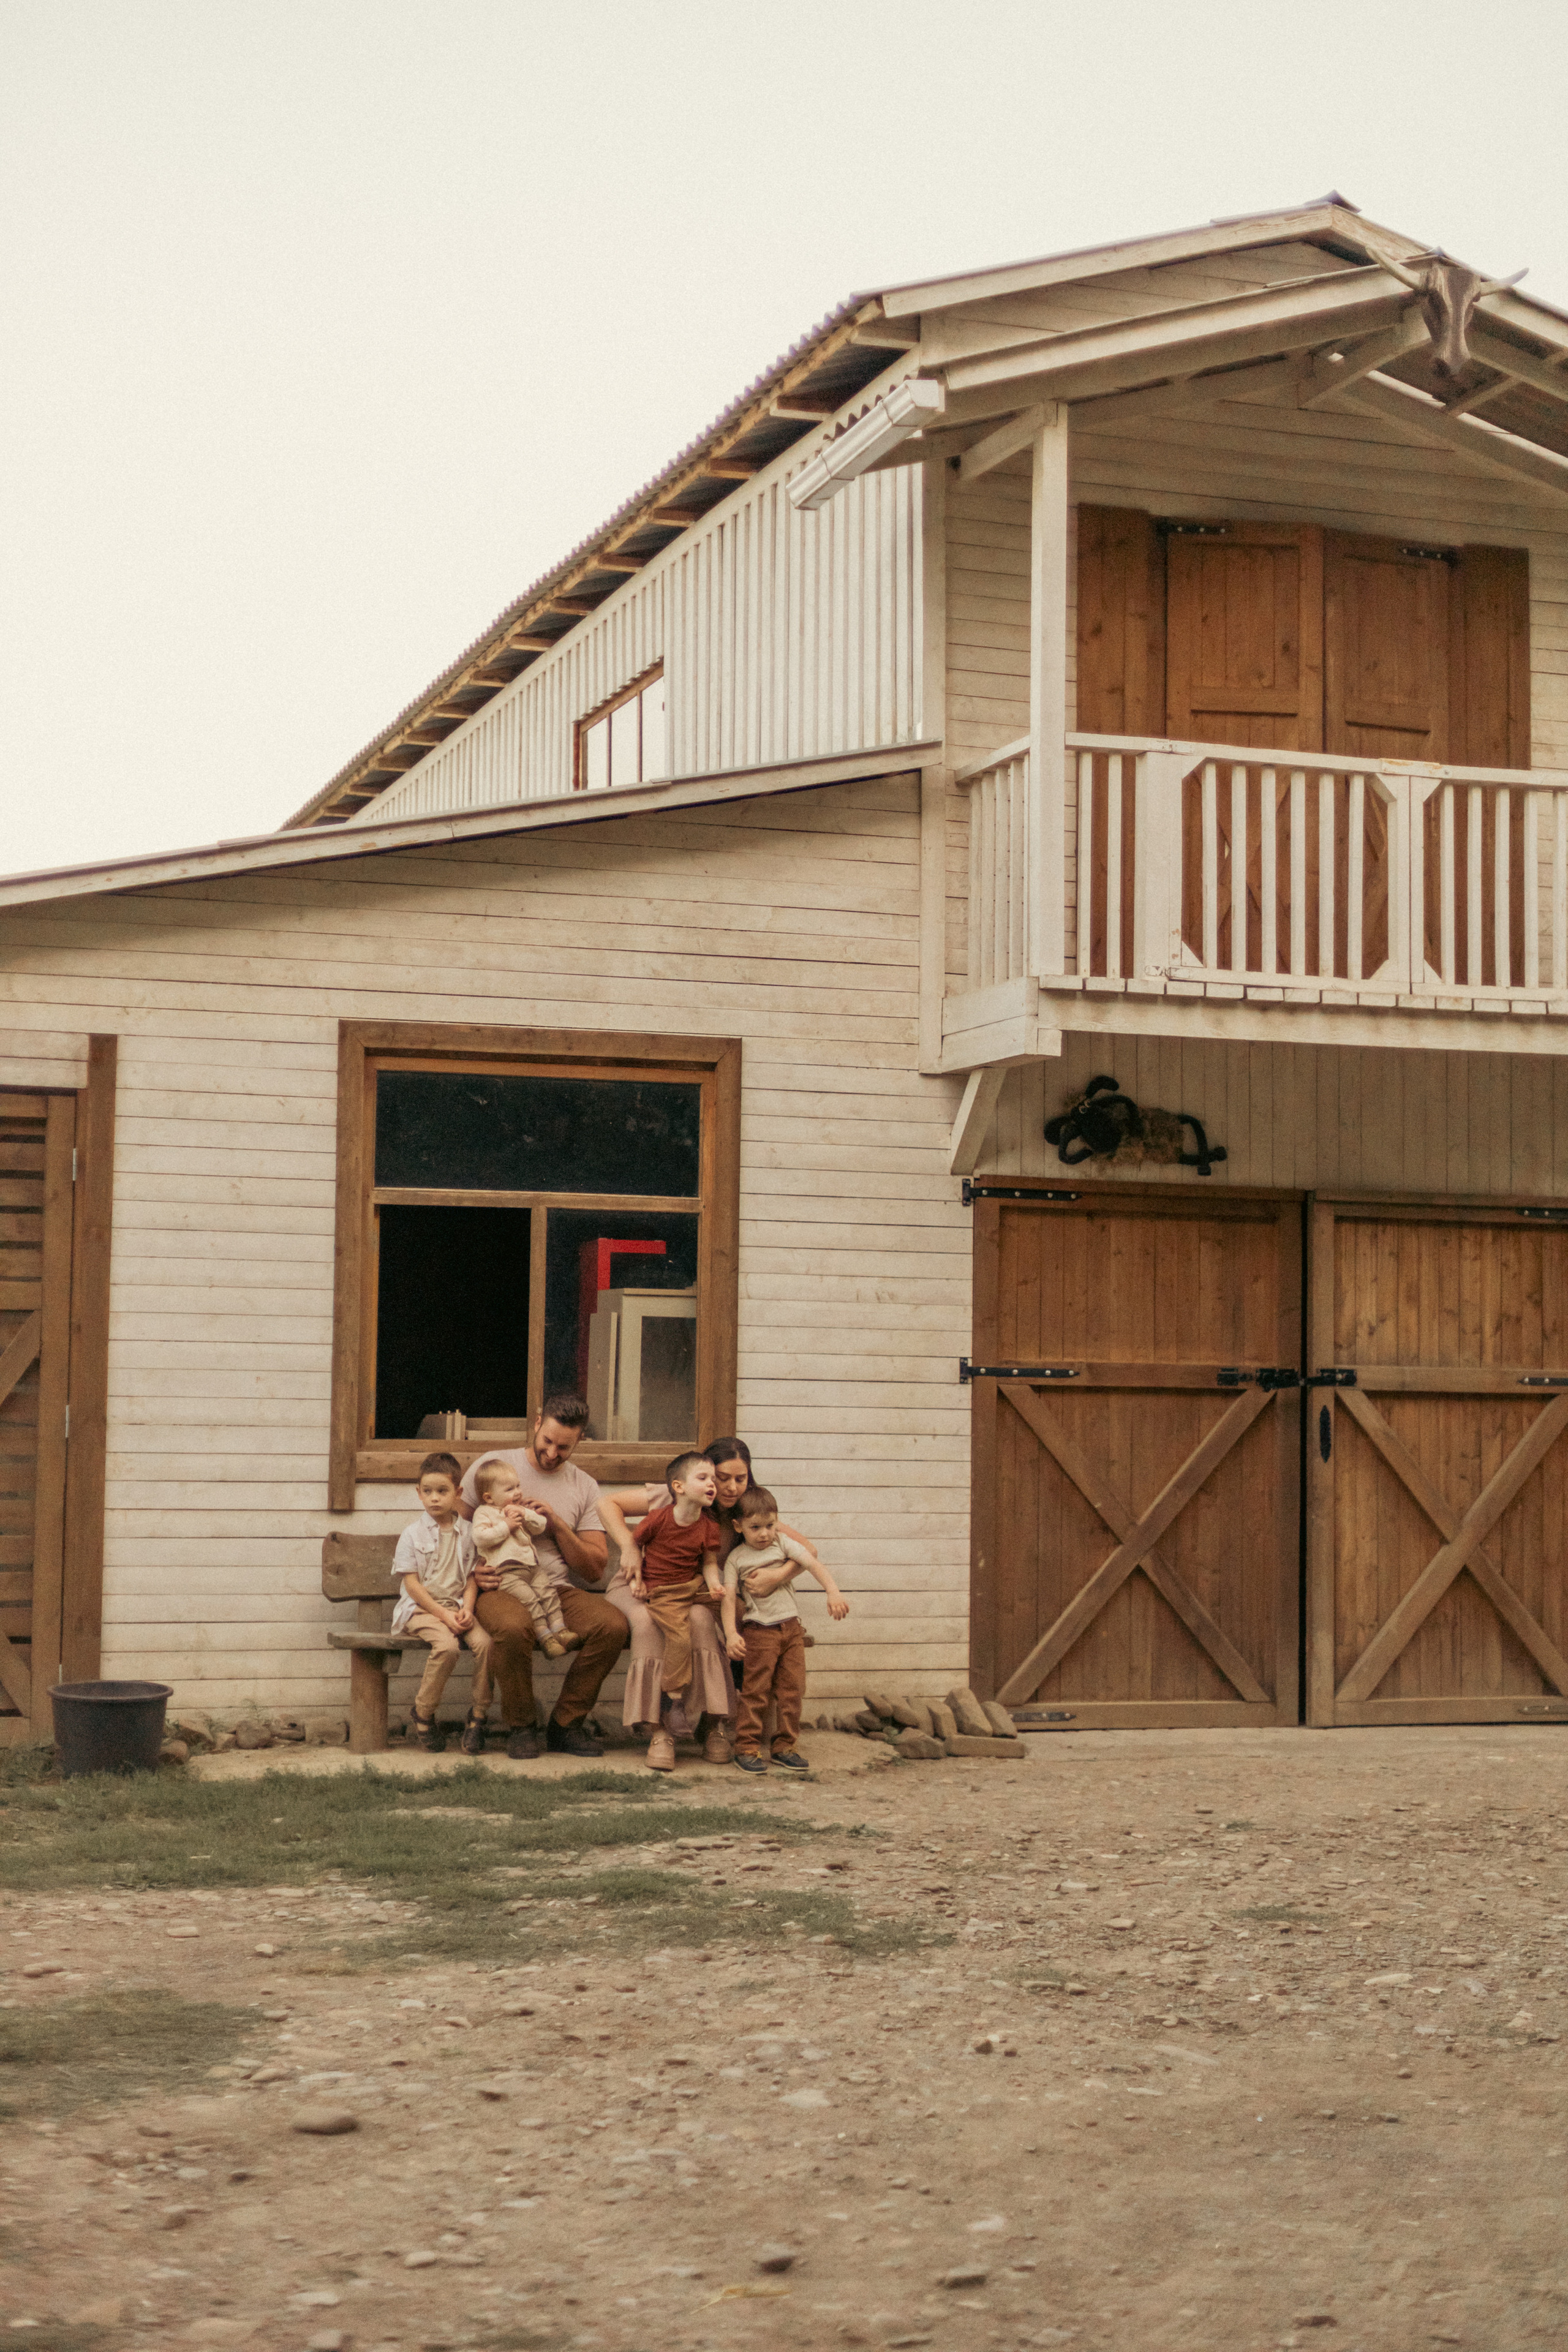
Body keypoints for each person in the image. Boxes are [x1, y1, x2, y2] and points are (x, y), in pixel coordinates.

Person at [459, 1395, 625, 1760]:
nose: (552, 1453)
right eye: (547, 1441)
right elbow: (454, 1531)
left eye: (564, 1447)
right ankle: (521, 1726)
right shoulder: (493, 1467)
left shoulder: (584, 1486)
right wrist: (473, 1575)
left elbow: (594, 1568)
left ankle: (566, 1724)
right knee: (514, 1627)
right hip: (499, 1584)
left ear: (580, 1440)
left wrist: (557, 1524)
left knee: (612, 1626)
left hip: (553, 1586)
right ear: (537, 1423)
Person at [722, 1483, 849, 1773]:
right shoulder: (736, 1558)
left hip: (791, 1630)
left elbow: (812, 1563)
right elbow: (728, 1598)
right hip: (759, 1632)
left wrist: (833, 1592)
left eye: (770, 1525)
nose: (764, 1534)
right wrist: (731, 1634)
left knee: (792, 1691)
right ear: (739, 1526)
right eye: (755, 1527)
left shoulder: (782, 1544)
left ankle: (785, 1747)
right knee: (756, 1691)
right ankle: (747, 1748)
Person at [622, 1452, 725, 1772]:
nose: (712, 1484)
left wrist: (716, 1585)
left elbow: (709, 1563)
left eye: (713, 1479)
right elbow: (634, 1549)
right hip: (663, 1591)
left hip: (692, 1586)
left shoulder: (708, 1527)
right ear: (679, 1487)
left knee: (737, 1617)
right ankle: (674, 1702)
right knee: (680, 1635)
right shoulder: (659, 1519)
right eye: (703, 1478)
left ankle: (717, 1718)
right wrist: (637, 1583)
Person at [391, 1452, 494, 1755]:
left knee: (486, 1644)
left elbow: (473, 1577)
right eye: (428, 1491)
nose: (434, 1498)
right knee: (448, 1648)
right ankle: (423, 1713)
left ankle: (478, 1717)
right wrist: (444, 1616)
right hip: (422, 1611)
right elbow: (412, 1586)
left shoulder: (469, 1533)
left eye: (442, 1491)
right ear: (419, 1493)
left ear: (458, 1493)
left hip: (458, 1608)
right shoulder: (412, 1534)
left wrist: (468, 1610)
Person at [469, 1459, 579, 1659]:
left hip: (532, 1568)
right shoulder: (484, 1512)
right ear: (489, 1497)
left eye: (518, 1486)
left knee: (548, 1594)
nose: (518, 1492)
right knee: (530, 1600)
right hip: (506, 1572)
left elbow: (540, 1526)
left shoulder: (518, 1510)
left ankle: (560, 1630)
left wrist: (526, 1514)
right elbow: (480, 1538)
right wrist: (506, 1526)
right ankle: (546, 1638)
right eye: (510, 1489)